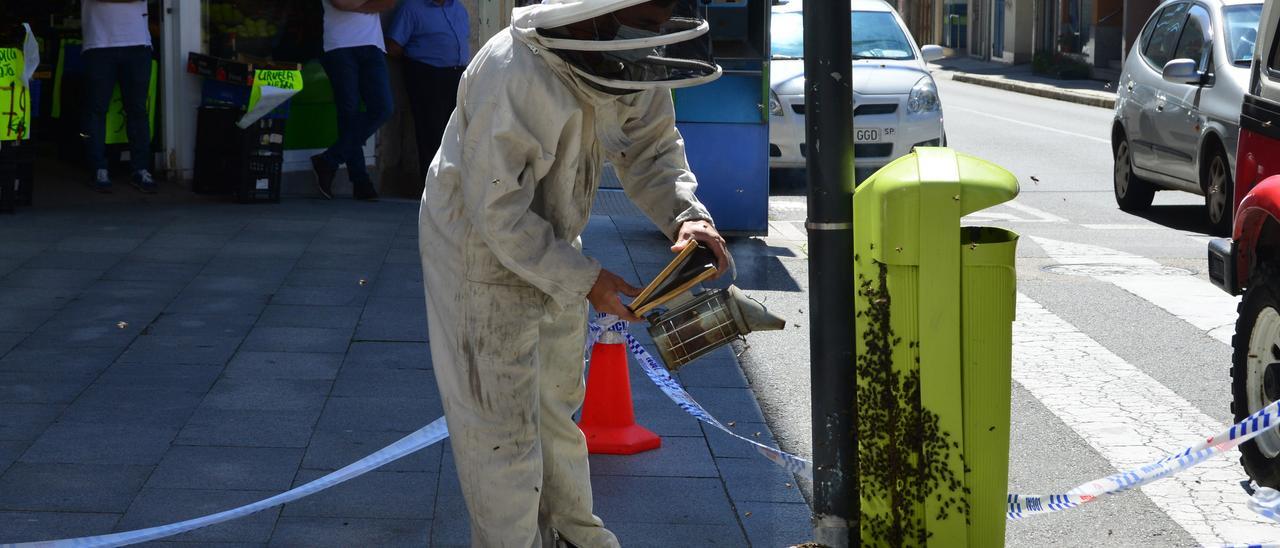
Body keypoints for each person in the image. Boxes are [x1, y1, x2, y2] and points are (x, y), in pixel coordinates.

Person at [417, 0, 727, 545]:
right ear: (596, 15)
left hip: (556, 238)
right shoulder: (513, 70)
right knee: (500, 432)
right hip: (477, 252)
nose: (654, 37)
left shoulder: (628, 52)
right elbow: (497, 209)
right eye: (648, 24)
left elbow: (652, 149)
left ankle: (571, 533)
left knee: (555, 406)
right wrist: (587, 280)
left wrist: (687, 216)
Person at [313, 0, 396, 201]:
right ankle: (360, 182)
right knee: (348, 113)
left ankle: (329, 160)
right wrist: (369, 4)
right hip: (339, 45)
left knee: (383, 108)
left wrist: (357, 4)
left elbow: (389, 2)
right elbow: (341, 3)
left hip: (372, 45)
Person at [386, 0, 470, 186]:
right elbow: (393, 45)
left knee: (458, 131)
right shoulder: (412, 8)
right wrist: (418, 60)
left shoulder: (458, 8)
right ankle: (433, 187)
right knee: (431, 131)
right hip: (427, 74)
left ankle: (454, 186)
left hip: (457, 74)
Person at [81, 0, 155, 193]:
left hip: (135, 44)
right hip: (100, 44)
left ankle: (140, 168)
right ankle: (98, 168)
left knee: (136, 110)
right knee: (97, 110)